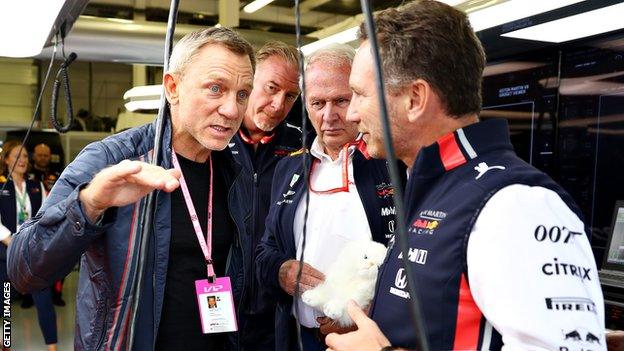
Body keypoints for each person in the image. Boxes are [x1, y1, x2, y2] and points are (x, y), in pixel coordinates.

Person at [326, 1, 605, 350]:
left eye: (359, 94)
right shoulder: (432, 186)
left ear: (415, 98)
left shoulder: (514, 205)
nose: (350, 113)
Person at [8, 27, 256, 350]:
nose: (232, 110)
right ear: (173, 87)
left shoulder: (234, 171)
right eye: (215, 88)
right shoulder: (112, 160)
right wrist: (89, 204)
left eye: (242, 94)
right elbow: (24, 269)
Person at [256, 44, 396, 351]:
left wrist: (370, 309)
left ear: (360, 97)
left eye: (341, 100)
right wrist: (281, 271)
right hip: (300, 337)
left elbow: (413, 258)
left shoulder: (393, 163)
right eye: (317, 103)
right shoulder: (290, 167)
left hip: (372, 337)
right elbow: (265, 249)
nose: (329, 115)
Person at [228, 40, 302, 350]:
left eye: (290, 96)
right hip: (218, 306)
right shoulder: (215, 140)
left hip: (278, 312)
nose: (278, 105)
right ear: (249, 82)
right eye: (271, 88)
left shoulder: (302, 150)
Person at [0, 141, 58, 351]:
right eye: (17, 156)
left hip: (31, 252)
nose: (22, 160)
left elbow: (45, 215)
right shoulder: (1, 187)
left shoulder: (36, 186)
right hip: (6, 251)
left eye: (25, 156)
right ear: (6, 160)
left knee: (43, 298)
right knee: (5, 301)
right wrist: (12, 242)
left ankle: (52, 346)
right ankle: (5, 342)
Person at [29, 142, 66, 307]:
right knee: (32, 261)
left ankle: (56, 295)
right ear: (34, 156)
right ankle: (28, 297)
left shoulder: (58, 174)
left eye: (46, 155)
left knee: (58, 261)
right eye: (40, 155)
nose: (43, 158)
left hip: (55, 222)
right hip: (32, 223)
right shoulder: (27, 174)